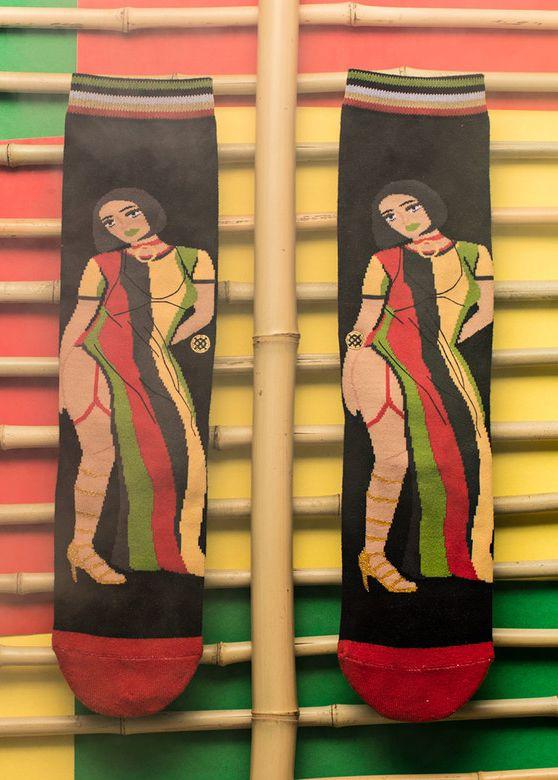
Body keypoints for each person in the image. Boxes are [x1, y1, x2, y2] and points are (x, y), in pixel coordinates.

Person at [342, 180, 494, 593]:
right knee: (394, 461)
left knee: (462, 458)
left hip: (441, 365)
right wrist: (349, 366)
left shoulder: (474, 254)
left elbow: (484, 311)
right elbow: (364, 321)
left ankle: (447, 558)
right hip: (380, 358)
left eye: (410, 207)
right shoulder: (384, 260)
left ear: (429, 204)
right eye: (390, 216)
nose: (403, 220)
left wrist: (442, 347)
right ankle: (373, 555)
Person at [59, 188, 215, 584]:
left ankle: (173, 550)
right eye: (110, 221)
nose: (123, 225)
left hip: (151, 362)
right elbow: (80, 320)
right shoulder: (101, 264)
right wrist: (64, 378)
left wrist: (159, 344)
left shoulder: (195, 259)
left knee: (183, 455)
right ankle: (83, 547)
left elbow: (203, 312)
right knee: (100, 455)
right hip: (93, 360)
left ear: (149, 211)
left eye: (130, 213)